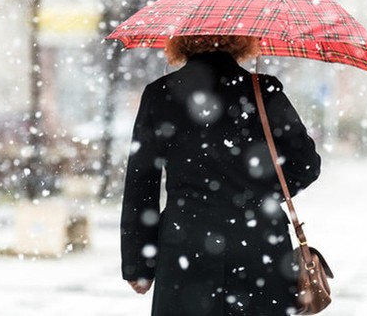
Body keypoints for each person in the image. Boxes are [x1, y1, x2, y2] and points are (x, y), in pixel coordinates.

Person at [120, 35, 322, 316]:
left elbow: (141, 183)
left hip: (185, 243)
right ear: (241, 41)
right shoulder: (263, 90)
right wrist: (259, 194)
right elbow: (307, 164)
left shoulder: (160, 94)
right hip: (259, 243)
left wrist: (138, 264)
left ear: (180, 42)